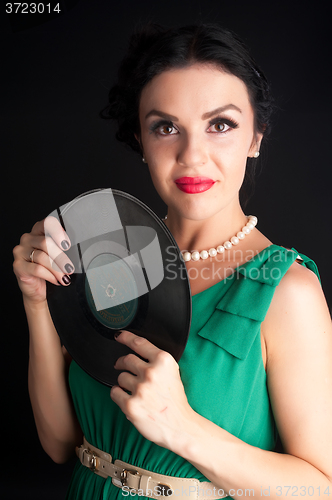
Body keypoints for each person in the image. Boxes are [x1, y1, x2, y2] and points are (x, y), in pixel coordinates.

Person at [12, 22, 332, 500]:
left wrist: (184, 429)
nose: (192, 155)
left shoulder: (287, 290)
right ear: (141, 141)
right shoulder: (105, 255)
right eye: (166, 127)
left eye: (220, 125)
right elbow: (61, 445)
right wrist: (38, 305)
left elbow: (320, 487)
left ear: (256, 137)